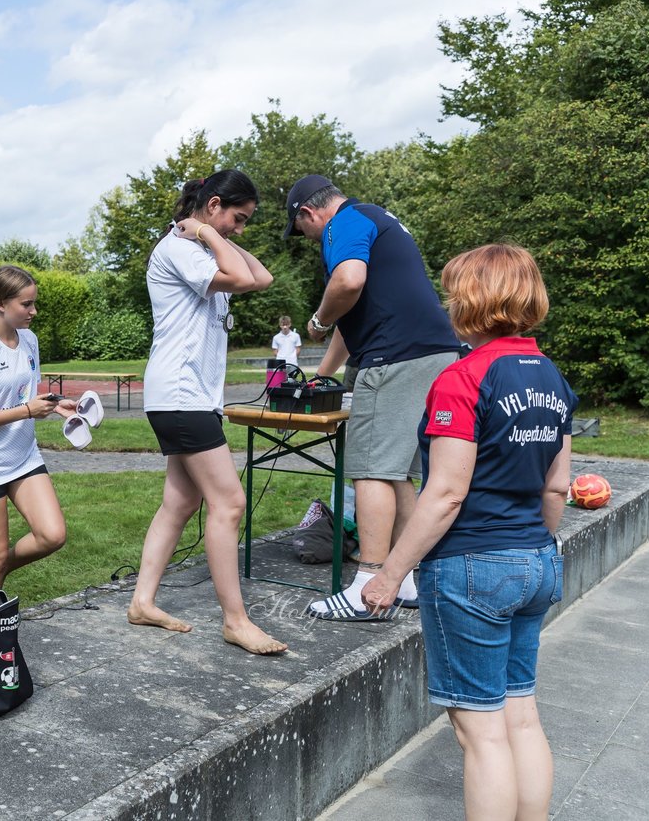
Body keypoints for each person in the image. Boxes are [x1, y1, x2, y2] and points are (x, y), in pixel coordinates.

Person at [362, 244, 573, 820]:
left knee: (481, 734)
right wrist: (536, 546)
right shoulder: (551, 376)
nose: (448, 301)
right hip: (535, 558)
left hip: (473, 568)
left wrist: (389, 574)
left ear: (473, 301)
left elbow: (446, 493)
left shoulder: (463, 378)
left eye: (454, 292)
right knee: (521, 715)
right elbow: (556, 487)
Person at [283, 174, 461, 621]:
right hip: (432, 352)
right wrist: (321, 376)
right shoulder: (379, 219)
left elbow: (347, 282)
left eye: (301, 230)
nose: (307, 238)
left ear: (308, 213)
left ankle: (368, 584)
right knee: (398, 470)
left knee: (370, 470)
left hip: (394, 356)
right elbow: (356, 312)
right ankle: (407, 581)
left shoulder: (342, 222)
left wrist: (318, 321)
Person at [125, 170, 286, 655]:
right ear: (213, 204)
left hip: (190, 396)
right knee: (230, 502)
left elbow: (261, 277)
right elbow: (239, 276)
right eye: (238, 218)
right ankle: (235, 621)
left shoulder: (199, 246)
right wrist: (207, 232)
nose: (239, 229)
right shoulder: (178, 248)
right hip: (180, 394)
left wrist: (213, 232)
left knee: (180, 502)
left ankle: (142, 602)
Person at [0, 265, 75, 590]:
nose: (33, 311)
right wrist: (26, 410)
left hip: (23, 456)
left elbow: (25, 396)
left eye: (34, 303)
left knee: (52, 535)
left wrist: (54, 403)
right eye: (26, 304)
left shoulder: (29, 340)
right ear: (0, 304)